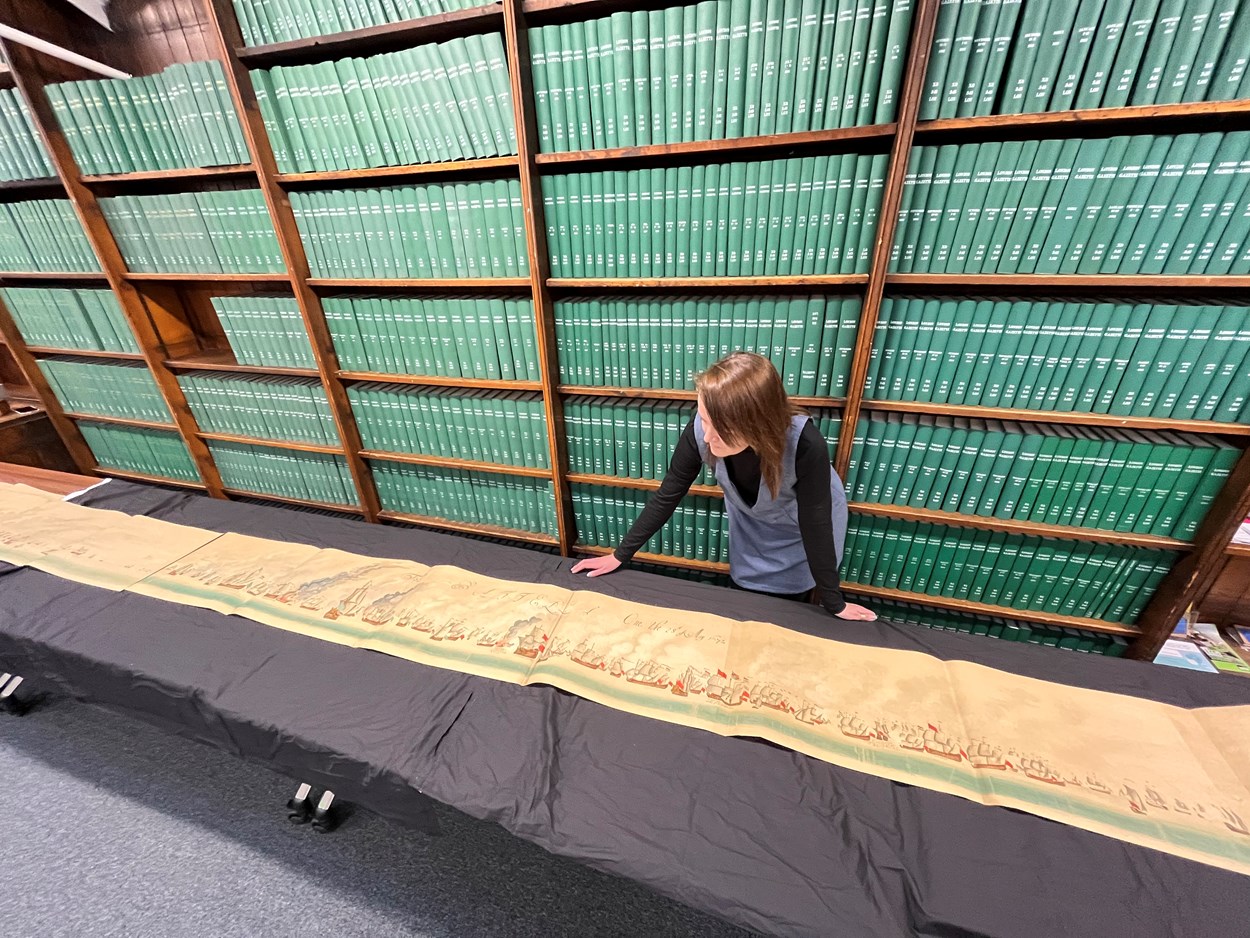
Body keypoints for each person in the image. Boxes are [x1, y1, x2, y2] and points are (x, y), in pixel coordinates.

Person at [571, 352, 877, 621]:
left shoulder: (806, 446)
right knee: (746, 602)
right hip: (753, 522)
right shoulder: (703, 429)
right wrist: (619, 555)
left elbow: (817, 525)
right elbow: (669, 493)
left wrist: (833, 601)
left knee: (787, 609)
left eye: (722, 429)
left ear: (756, 426)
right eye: (704, 419)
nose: (707, 437)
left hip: (804, 528)